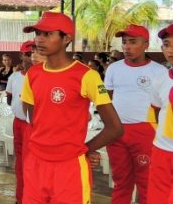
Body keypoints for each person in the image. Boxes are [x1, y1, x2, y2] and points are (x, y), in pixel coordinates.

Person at [21, 12, 123, 203]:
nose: (40, 39)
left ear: (66, 38)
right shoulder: (33, 74)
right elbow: (35, 120)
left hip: (70, 167)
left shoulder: (87, 76)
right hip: (35, 163)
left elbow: (115, 128)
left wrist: (85, 149)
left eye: (48, 34)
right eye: (38, 33)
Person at [104, 24, 168, 204]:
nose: (126, 47)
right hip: (117, 132)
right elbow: (106, 101)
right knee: (120, 181)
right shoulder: (114, 69)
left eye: (133, 42)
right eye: (124, 42)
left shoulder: (159, 71)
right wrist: (110, 127)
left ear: (146, 44)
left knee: (146, 182)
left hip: (145, 132)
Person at [5, 40, 36, 203]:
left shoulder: (42, 76)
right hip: (18, 123)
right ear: (21, 55)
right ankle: (21, 197)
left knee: (32, 164)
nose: (31, 57)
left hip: (35, 126)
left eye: (33, 53)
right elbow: (9, 98)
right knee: (20, 163)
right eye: (27, 54)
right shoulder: (15, 77)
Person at [148, 24, 173, 203]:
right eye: (167, 44)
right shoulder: (160, 78)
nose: (171, 50)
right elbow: (156, 110)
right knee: (157, 198)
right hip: (162, 151)